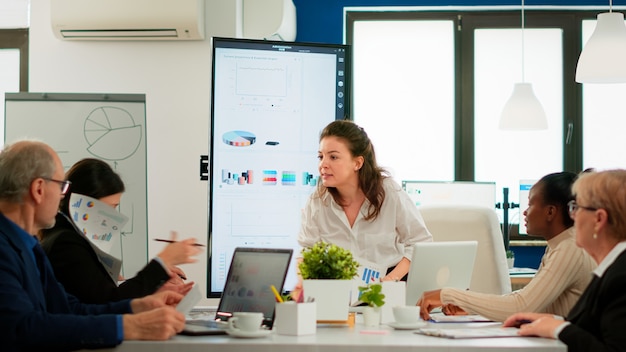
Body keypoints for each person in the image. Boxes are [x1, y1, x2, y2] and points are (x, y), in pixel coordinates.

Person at [0, 140, 185, 351]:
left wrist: (136, 307)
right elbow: (20, 328)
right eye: (61, 186)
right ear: (39, 189)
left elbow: (67, 308)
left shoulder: (29, 245)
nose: (63, 196)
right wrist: (129, 326)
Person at [417, 172, 596, 322]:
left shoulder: (569, 249)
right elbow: (533, 300)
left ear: (550, 212)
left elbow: (522, 305)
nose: (525, 212)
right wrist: (471, 307)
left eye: (531, 204)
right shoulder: (559, 246)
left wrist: (447, 294)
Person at [40, 158, 201, 304]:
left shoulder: (65, 236)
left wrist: (155, 285)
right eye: (110, 208)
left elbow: (102, 294)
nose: (114, 217)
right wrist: (163, 262)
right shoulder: (66, 244)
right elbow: (108, 301)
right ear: (84, 203)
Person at [503, 169, 626, 351]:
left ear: (599, 219)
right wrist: (554, 321)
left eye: (577, 208)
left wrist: (560, 329)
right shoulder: (610, 270)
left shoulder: (620, 278)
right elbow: (598, 328)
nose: (572, 216)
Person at [297, 120, 432, 282]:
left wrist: (391, 279)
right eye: (321, 156)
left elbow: (420, 243)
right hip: (340, 289)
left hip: (389, 284)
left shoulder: (389, 192)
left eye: (333, 157)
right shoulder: (317, 201)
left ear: (357, 162)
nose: (323, 164)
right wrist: (302, 286)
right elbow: (307, 250)